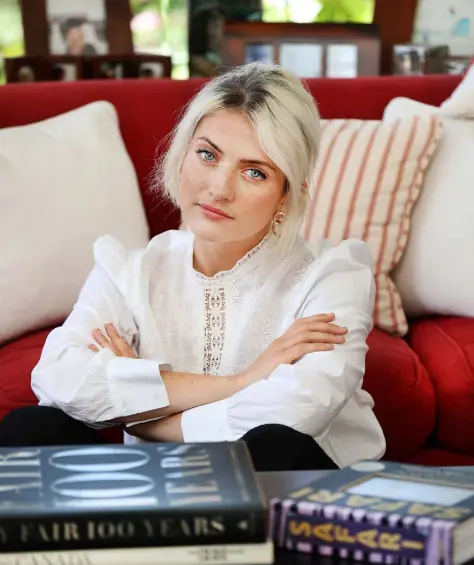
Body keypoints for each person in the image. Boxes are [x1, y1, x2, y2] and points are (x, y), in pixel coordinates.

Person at [0, 63, 386, 471]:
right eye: (207, 154)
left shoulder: (332, 275)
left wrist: (148, 420)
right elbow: (59, 380)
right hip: (153, 485)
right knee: (30, 430)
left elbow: (296, 410)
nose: (219, 189)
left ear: (287, 197)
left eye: (255, 172)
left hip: (270, 490)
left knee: (273, 443)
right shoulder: (130, 270)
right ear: (181, 155)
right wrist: (242, 382)